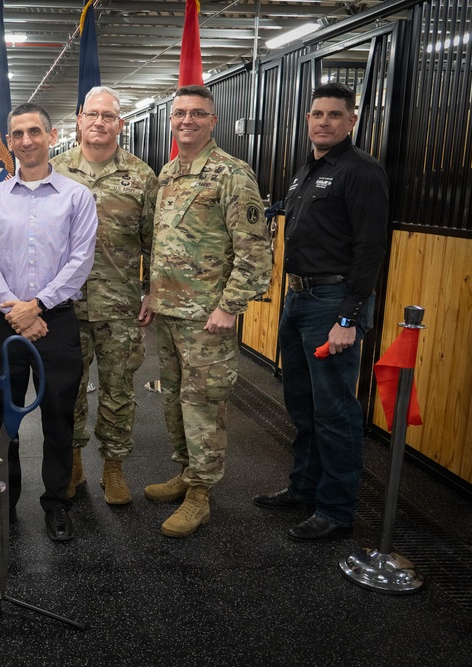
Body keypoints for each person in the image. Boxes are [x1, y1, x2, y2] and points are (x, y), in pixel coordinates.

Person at [253, 82, 388, 541]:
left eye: (334, 114)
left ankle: (335, 510)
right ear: (307, 120)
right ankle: (304, 488)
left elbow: (370, 251)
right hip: (298, 299)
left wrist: (348, 318)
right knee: (302, 404)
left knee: (335, 411)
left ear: (351, 120)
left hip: (332, 304)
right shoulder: (305, 171)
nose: (323, 121)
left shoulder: (361, 171)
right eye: (316, 114)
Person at [139, 85, 271, 538]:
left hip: (207, 318)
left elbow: (254, 252)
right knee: (175, 400)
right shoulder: (168, 173)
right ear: (171, 121)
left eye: (198, 113)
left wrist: (229, 308)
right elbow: (164, 245)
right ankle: (185, 473)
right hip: (172, 313)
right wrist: (152, 294)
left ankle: (201, 496)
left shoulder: (232, 173)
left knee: (204, 406)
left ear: (213, 121)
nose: (187, 120)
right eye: (180, 113)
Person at [0, 102, 98, 542]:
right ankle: (3, 501)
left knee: (58, 419)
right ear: (8, 143)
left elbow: (80, 261)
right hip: (6, 321)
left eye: (34, 132)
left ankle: (57, 503)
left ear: (52, 135)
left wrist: (38, 305)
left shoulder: (77, 197)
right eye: (17, 134)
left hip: (56, 322)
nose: (26, 140)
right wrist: (17, 310)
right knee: (3, 419)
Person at [50, 86, 158, 505]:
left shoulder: (141, 176)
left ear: (121, 124)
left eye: (108, 116)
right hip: (64, 305)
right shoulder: (54, 171)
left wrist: (152, 292)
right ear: (79, 119)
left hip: (119, 305)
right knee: (69, 387)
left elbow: (156, 242)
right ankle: (74, 461)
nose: (99, 122)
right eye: (92, 114)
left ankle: (113, 468)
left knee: (118, 390)